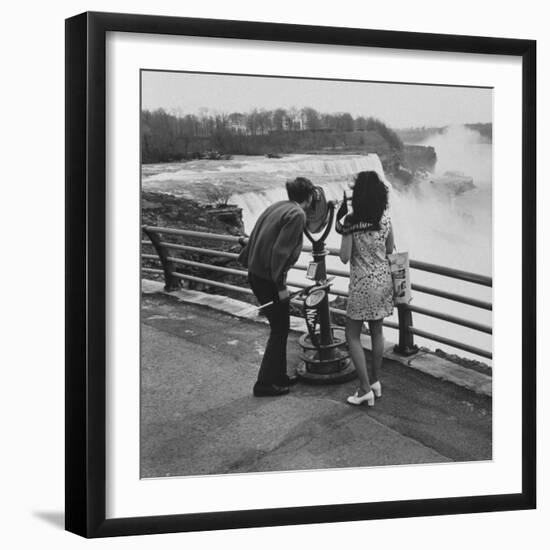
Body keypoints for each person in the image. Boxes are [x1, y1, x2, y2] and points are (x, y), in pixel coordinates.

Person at [238, 177, 315, 397]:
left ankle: (278, 376)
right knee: (279, 329)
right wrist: (281, 286)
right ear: (309, 196)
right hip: (268, 279)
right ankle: (263, 384)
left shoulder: (278, 206)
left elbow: (257, 235)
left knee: (281, 326)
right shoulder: (298, 215)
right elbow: (280, 253)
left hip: (257, 274)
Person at [337, 171, 394, 406]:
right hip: (383, 282)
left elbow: (343, 256)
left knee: (352, 335)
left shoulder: (352, 221)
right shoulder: (385, 218)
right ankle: (375, 382)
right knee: (377, 332)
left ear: (357, 194)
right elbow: (390, 249)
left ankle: (363, 389)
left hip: (361, 285)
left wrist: (344, 229)